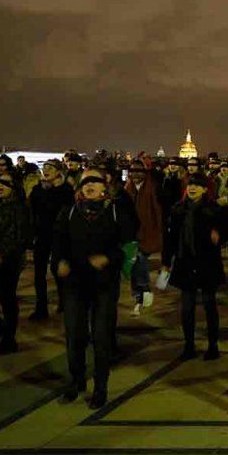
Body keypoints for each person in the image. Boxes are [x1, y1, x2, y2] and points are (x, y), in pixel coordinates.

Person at [52, 168, 135, 408]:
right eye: (85, 181)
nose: (89, 185)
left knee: (101, 337)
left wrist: (108, 258)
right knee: (74, 335)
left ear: (104, 189)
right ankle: (76, 380)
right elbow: (57, 244)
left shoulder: (117, 213)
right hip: (74, 284)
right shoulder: (68, 212)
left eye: (95, 181)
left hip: (104, 285)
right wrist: (59, 263)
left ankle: (101, 386)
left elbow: (128, 246)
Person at [163, 172, 225, 361]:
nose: (192, 188)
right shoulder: (178, 210)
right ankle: (188, 344)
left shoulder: (213, 209)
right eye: (190, 185)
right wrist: (166, 262)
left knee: (209, 305)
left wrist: (218, 234)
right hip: (185, 261)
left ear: (205, 189)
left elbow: (226, 230)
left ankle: (212, 344)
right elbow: (170, 238)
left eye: (197, 185)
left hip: (207, 262)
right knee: (187, 307)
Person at [0, 172, 30, 354]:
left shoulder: (20, 208)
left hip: (8, 262)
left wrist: (1, 256)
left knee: (7, 300)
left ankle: (8, 338)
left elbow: (21, 238)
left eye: (6, 183)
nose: (1, 186)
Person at [28, 160, 75, 319]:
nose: (46, 170)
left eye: (50, 168)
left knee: (57, 269)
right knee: (39, 274)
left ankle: (63, 300)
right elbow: (32, 212)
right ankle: (41, 308)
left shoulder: (66, 191)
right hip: (42, 235)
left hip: (59, 236)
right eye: (44, 167)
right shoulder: (37, 190)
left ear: (59, 172)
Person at [123, 160, 163, 316]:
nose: (135, 174)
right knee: (134, 264)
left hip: (147, 233)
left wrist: (159, 232)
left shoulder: (152, 189)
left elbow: (157, 212)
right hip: (131, 233)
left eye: (139, 171)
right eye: (132, 171)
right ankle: (139, 297)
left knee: (140, 258)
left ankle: (144, 289)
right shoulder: (127, 189)